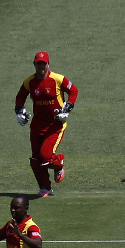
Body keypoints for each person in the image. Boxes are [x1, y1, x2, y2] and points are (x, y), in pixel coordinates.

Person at [15, 51, 79, 198]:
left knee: (46, 156)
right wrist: (19, 110)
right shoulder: (29, 82)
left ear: (48, 64)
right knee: (35, 160)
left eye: (44, 64)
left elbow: (73, 90)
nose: (41, 66)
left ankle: (59, 163)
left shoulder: (57, 79)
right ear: (34, 65)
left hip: (55, 125)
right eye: (38, 63)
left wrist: (68, 107)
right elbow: (20, 96)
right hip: (37, 125)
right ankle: (45, 188)